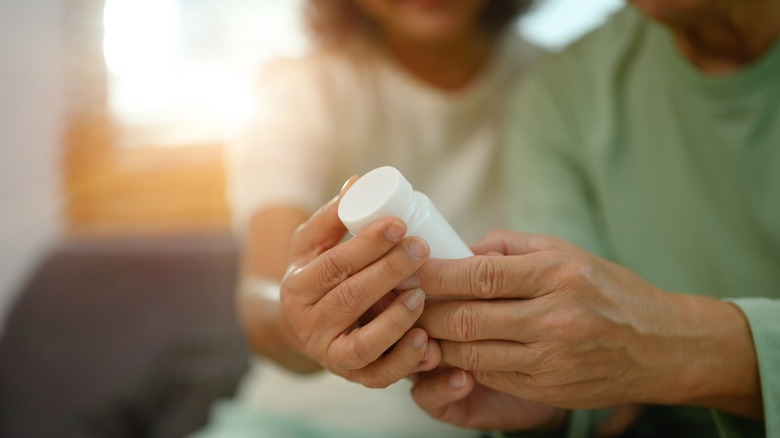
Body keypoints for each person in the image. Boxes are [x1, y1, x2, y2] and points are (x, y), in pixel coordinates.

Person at [276, 0, 780, 437]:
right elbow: (607, 372)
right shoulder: (565, 88)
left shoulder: (535, 74)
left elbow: (637, 353)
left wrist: (678, 349)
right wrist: (554, 403)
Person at [196, 0, 539, 437]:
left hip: (481, 416)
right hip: (293, 419)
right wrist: (303, 319)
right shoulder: (302, 87)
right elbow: (260, 294)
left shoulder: (553, 82)